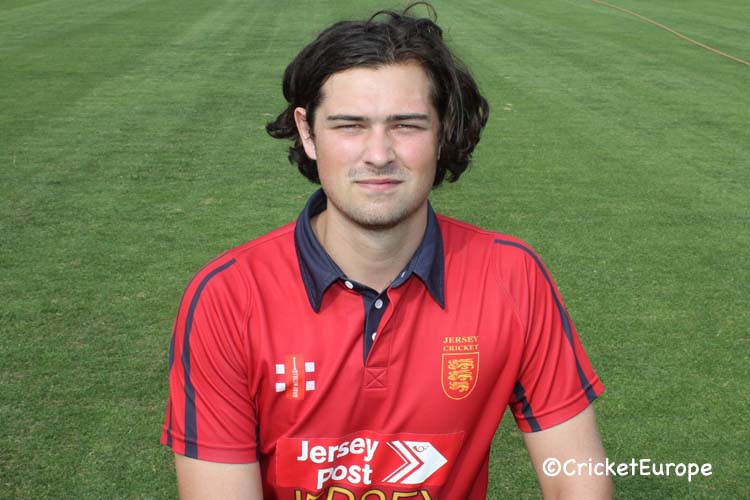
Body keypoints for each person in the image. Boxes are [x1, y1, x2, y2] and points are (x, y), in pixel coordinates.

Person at [161, 3, 613, 499]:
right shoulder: (228, 297)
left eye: (406, 125)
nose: (378, 155)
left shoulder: (512, 275)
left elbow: (576, 479)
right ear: (308, 133)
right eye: (349, 125)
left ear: (442, 131)